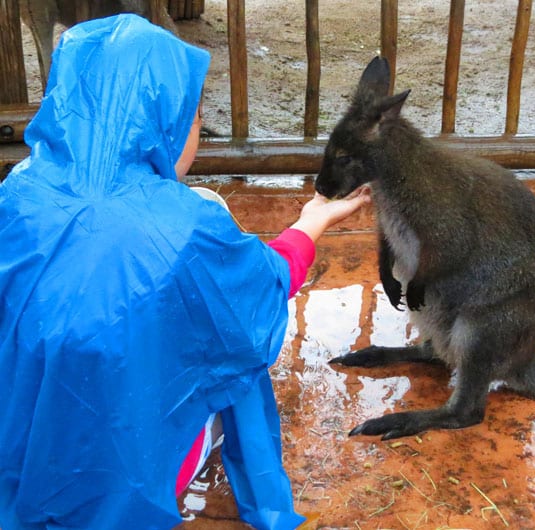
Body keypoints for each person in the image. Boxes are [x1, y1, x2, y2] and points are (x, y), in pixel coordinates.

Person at [0, 14, 369, 530]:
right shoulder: (187, 227)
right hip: (118, 481)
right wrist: (315, 219)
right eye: (195, 119)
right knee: (231, 336)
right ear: (166, 125)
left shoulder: (15, 192)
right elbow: (268, 283)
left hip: (18, 452)